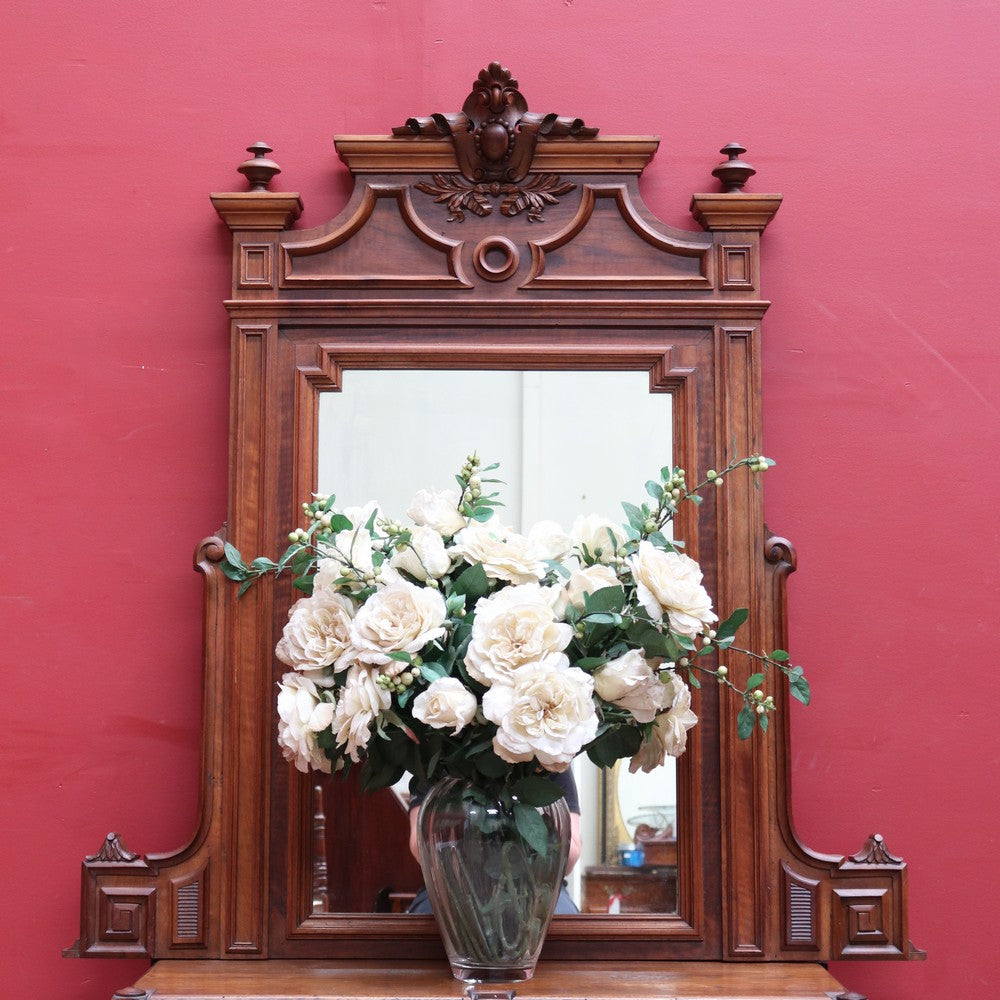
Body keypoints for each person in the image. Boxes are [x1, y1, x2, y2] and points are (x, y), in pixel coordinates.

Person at [406, 769, 582, 914]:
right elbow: (421, 846)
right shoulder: (434, 753)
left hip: (536, 887)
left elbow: (570, 854)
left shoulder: (551, 754)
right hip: (451, 886)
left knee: (566, 934)